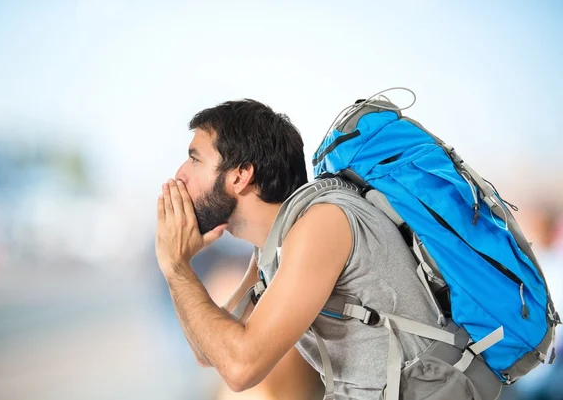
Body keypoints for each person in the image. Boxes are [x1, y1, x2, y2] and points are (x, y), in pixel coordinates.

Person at [154, 99, 441, 399]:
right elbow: (209, 352)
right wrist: (176, 264)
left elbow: (240, 369)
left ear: (240, 175)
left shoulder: (323, 223)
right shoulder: (271, 250)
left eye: (195, 159)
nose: (179, 175)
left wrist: (176, 267)